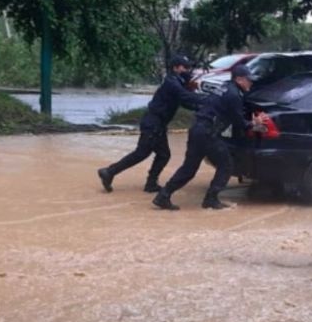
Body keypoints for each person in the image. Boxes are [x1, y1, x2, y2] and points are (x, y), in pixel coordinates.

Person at [153, 65, 268, 210]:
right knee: (226, 164)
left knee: (189, 168)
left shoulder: (225, 87)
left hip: (197, 130)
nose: (251, 83)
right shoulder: (234, 95)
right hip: (208, 133)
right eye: (248, 80)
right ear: (239, 79)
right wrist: (254, 123)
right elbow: (239, 122)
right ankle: (211, 199)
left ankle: (163, 195)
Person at [98, 55, 202, 193]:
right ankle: (109, 172)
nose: (187, 70)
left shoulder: (177, 82)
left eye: (188, 67)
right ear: (175, 68)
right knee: (141, 153)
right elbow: (185, 96)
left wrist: (201, 108)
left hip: (158, 124)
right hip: (153, 123)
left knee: (163, 155)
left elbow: (185, 102)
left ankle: (151, 184)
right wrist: (209, 99)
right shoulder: (172, 83)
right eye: (184, 67)